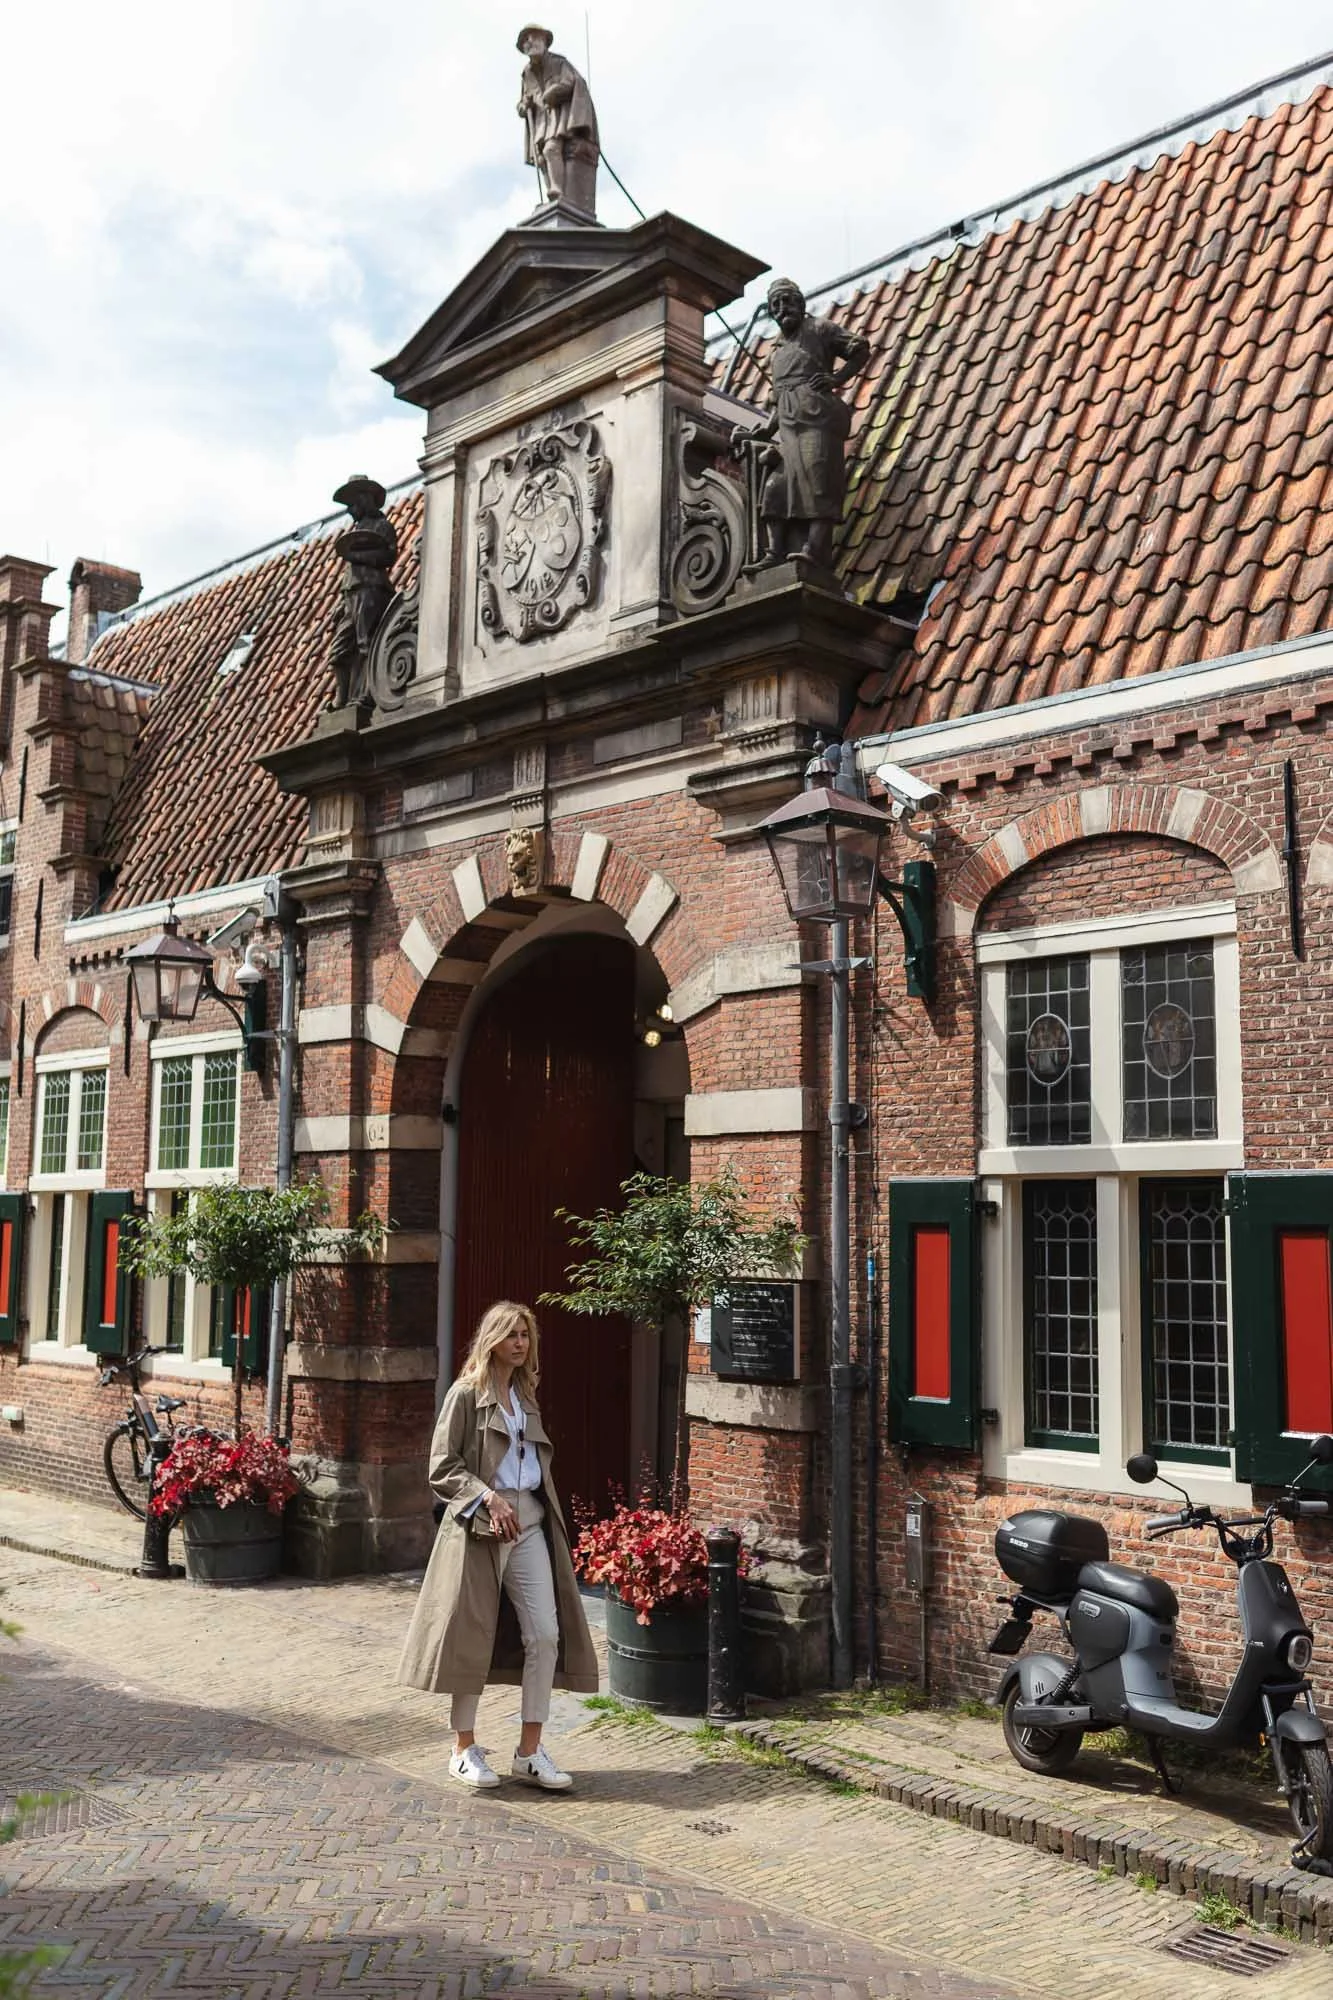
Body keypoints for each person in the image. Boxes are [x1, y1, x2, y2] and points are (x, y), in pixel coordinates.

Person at [397, 1300, 599, 1790]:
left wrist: (524, 1507)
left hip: (529, 1524)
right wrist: (488, 1498)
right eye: (511, 1334)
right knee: (471, 1636)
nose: (520, 1343)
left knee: (545, 1635)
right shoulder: (466, 1395)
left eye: (525, 1335)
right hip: (478, 1529)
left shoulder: (525, 1394)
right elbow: (442, 1466)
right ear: (492, 1340)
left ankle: (529, 1752)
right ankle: (463, 1749)